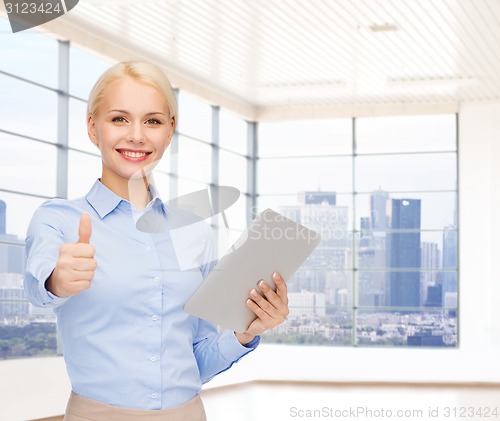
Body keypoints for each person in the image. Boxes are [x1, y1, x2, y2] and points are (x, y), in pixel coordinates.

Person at [24, 61, 290, 421]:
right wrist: (58, 279)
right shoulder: (59, 220)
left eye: (152, 121)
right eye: (119, 119)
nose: (137, 136)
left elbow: (197, 360)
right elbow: (38, 286)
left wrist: (243, 334)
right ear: (92, 127)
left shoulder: (193, 231)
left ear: (170, 131)